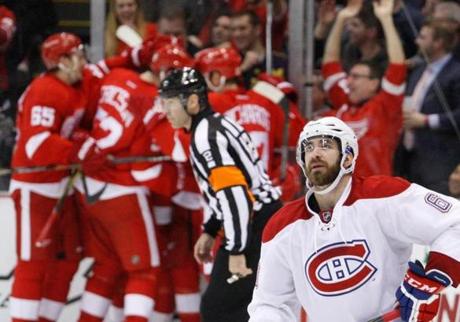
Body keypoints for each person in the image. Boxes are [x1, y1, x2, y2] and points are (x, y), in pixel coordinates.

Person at [248, 116, 460, 322]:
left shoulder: (384, 196)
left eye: (325, 145)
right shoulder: (281, 226)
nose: (315, 153)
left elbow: (455, 220)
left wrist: (431, 280)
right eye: (309, 148)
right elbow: (270, 304)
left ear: (348, 157)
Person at [159, 67, 282, 322]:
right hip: (262, 220)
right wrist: (211, 229)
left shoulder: (206, 136)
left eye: (170, 102)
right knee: (249, 307)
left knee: (219, 309)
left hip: (254, 225)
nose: (165, 111)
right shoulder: (215, 125)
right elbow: (228, 190)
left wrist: (237, 250)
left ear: (192, 101)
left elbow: (235, 194)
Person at [8, 32, 86, 322]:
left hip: (60, 186)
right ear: (62, 60)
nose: (83, 59)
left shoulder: (74, 88)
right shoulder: (46, 90)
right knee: (33, 265)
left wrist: (81, 142)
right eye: (78, 53)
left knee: (67, 262)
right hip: (35, 188)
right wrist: (79, 149)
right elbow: (37, 144)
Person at [321, 0, 406, 177]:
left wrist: (386, 19)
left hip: (377, 193)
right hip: (344, 194)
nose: (349, 81)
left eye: (357, 77)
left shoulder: (385, 107)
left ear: (374, 83)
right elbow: (330, 63)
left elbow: (398, 66)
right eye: (349, 76)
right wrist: (341, 19)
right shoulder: (344, 105)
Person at [394, 18, 460, 195]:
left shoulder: (456, 73)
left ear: (438, 42)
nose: (417, 41)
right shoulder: (419, 69)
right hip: (410, 156)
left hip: (440, 160)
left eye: (423, 37)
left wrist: (427, 120)